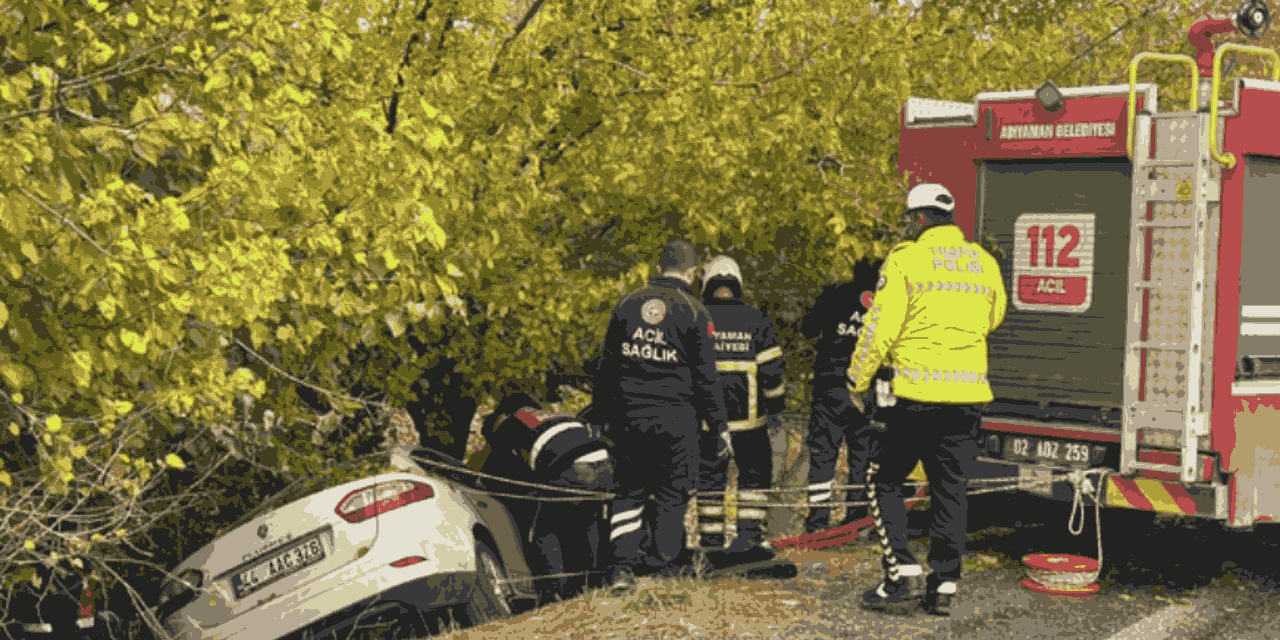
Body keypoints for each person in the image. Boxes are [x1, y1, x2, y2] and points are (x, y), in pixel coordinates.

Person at [850, 182, 1008, 616]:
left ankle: (899, 571)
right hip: (966, 401)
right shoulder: (983, 262)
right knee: (950, 491)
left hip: (914, 400)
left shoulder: (906, 259)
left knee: (882, 479)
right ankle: (943, 588)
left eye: (909, 219)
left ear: (918, 219)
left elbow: (879, 329)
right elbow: (994, 317)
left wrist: (856, 379)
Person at [593, 240, 729, 593]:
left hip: (630, 419)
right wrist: (717, 427)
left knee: (628, 491)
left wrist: (602, 417)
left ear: (660, 266)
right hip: (676, 420)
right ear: (691, 272)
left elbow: (607, 367)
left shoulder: (626, 304)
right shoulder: (695, 312)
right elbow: (707, 379)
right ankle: (661, 566)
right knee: (672, 492)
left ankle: (621, 569)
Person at [694, 255, 785, 563]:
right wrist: (776, 408)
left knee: (708, 480)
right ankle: (748, 537)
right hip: (750, 424)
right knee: (755, 477)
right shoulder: (756, 320)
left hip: (707, 425)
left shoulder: (697, 316)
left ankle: (710, 543)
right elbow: (772, 372)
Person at [799, 258, 896, 535]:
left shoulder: (835, 295)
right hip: (869, 391)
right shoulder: (887, 302)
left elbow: (808, 329)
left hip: (831, 387)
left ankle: (818, 522)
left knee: (823, 457)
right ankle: (857, 521)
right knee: (863, 458)